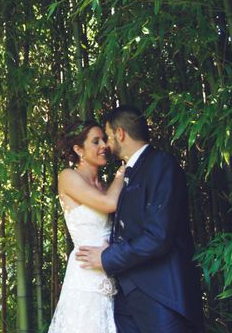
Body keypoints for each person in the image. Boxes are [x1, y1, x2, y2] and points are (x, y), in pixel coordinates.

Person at [76, 105, 204, 332]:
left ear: (120, 134)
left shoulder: (162, 164)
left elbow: (158, 236)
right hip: (125, 296)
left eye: (107, 136)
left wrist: (108, 257)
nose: (105, 144)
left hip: (162, 296)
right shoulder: (125, 174)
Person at [48, 120, 126, 333]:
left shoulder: (104, 186)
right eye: (96, 141)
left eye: (104, 139)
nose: (104, 145)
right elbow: (109, 204)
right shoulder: (68, 177)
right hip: (86, 273)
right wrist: (124, 170)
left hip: (110, 270)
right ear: (78, 149)